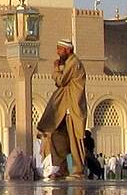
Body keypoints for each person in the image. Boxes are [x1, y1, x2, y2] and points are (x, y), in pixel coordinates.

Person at [35, 39, 89, 179]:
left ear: (68, 50)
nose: (57, 52)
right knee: (57, 135)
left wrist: (55, 70)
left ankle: (78, 171)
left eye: (60, 49)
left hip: (73, 107)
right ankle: (61, 168)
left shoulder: (73, 63)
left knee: (75, 139)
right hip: (63, 108)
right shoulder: (68, 63)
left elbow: (61, 81)